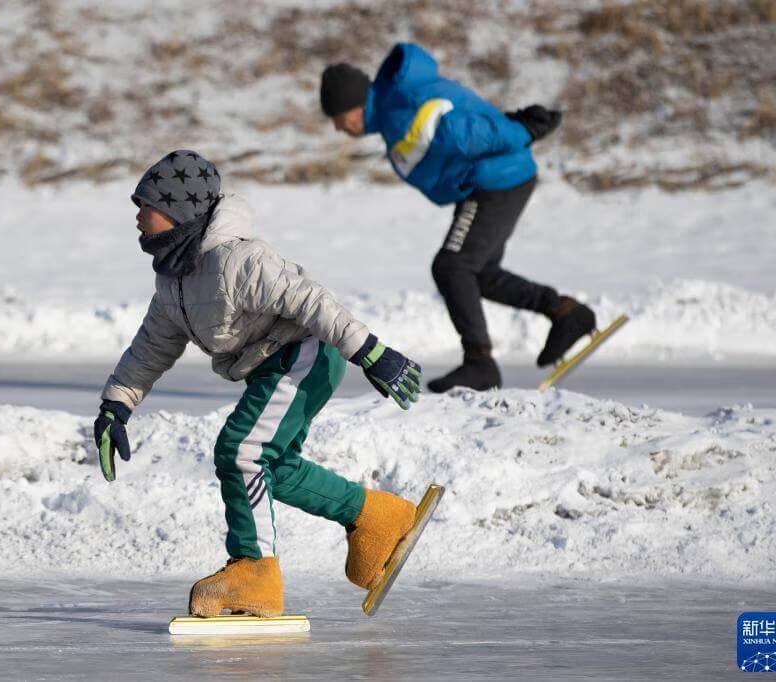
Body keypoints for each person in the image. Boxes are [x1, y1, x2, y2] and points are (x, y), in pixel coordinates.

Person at [94, 150, 424, 617]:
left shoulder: (239, 260)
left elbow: (311, 301)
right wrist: (116, 406)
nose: (137, 216)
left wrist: (369, 351)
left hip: (307, 351)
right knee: (272, 465)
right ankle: (375, 517)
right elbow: (149, 348)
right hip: (274, 362)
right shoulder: (174, 281)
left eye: (143, 205)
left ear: (175, 209)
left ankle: (254, 572)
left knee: (241, 451)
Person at [320, 43, 597, 392]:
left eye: (337, 117)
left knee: (453, 266)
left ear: (353, 106)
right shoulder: (393, 113)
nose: (336, 127)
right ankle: (566, 313)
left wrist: (523, 131)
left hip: (497, 179)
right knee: (477, 273)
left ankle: (480, 363)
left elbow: (462, 132)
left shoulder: (400, 106)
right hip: (490, 181)